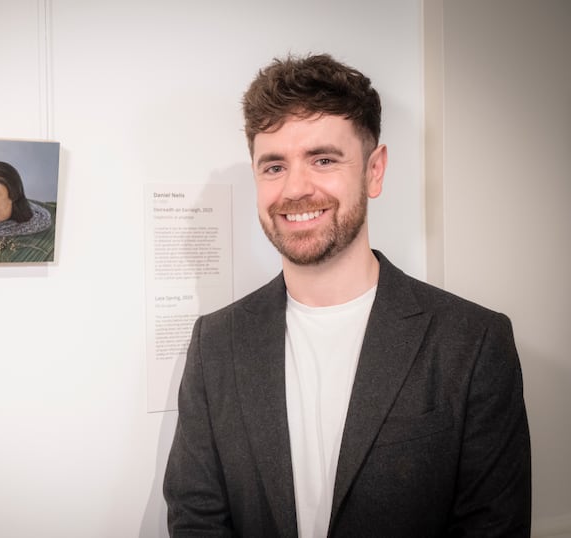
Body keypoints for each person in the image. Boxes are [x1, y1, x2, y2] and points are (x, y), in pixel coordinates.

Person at [163, 54, 531, 537]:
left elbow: (493, 527)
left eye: (323, 159)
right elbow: (196, 519)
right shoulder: (216, 342)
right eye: (274, 166)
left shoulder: (474, 341)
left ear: (374, 171)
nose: (295, 188)